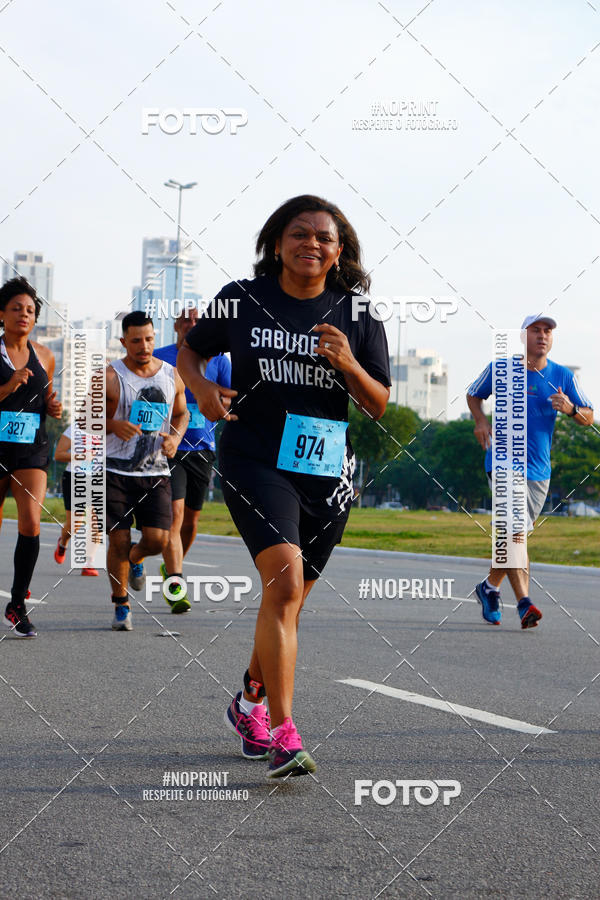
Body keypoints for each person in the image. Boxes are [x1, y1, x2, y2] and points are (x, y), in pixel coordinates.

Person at [177, 194, 391, 777]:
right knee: (286, 583)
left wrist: (348, 364)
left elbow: (377, 405)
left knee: (287, 603)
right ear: (277, 242)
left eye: (324, 237)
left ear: (338, 251)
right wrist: (200, 388)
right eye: (300, 233)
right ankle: (284, 733)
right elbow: (190, 353)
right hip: (254, 459)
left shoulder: (359, 315)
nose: (311, 244)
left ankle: (248, 701)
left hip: (326, 470)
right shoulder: (243, 300)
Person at [467, 314, 594, 629]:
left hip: (539, 471)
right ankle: (524, 602)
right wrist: (481, 421)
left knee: (514, 533)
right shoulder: (501, 369)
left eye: (548, 330)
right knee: (516, 533)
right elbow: (473, 393)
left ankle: (490, 587)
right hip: (502, 463)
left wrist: (571, 409)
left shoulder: (562, 376)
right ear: (523, 336)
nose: (542, 335)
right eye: (536, 330)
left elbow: (589, 416)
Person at [105, 311, 188, 631]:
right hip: (115, 472)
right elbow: (84, 419)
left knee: (156, 541)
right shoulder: (109, 376)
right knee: (119, 540)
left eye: (149, 339)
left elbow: (181, 415)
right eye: (136, 340)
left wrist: (176, 438)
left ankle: (136, 559)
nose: (144, 346)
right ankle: (121, 604)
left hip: (155, 472)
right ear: (124, 341)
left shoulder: (172, 374)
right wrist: (113, 424)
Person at [154, 306, 231, 613]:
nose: (191, 325)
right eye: (185, 320)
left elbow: (231, 395)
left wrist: (213, 396)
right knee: (175, 516)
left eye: (197, 321)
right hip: (168, 447)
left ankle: (173, 564)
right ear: (175, 325)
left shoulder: (219, 360)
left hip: (202, 447)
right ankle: (175, 582)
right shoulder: (160, 356)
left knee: (191, 522)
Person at [0, 277, 62, 637]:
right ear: (2, 314)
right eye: (16, 309)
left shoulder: (46, 355)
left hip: (30, 449)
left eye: (30, 310)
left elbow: (47, 398)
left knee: (31, 522)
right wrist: (9, 385)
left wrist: (53, 406)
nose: (24, 315)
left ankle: (17, 604)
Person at [53, 424, 100, 576]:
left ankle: (89, 562)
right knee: (75, 523)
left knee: (97, 521)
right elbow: (58, 454)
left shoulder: (111, 429)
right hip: (75, 477)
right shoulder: (75, 428)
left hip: (99, 478)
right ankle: (63, 543)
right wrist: (81, 456)